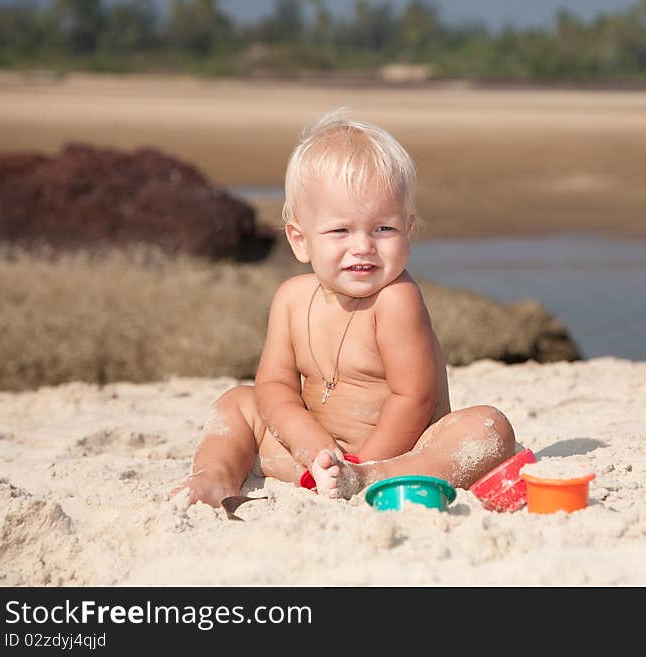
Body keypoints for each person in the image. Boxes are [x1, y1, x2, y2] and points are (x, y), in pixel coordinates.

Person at [170, 109, 516, 508]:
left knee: (487, 428)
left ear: (409, 231)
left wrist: (361, 467)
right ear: (300, 241)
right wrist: (314, 450)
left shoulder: (396, 299)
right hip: (315, 459)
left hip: (399, 455)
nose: (364, 246)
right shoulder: (291, 300)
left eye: (383, 228)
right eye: (340, 230)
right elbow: (275, 388)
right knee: (238, 403)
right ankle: (215, 477)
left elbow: (414, 398)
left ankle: (370, 479)